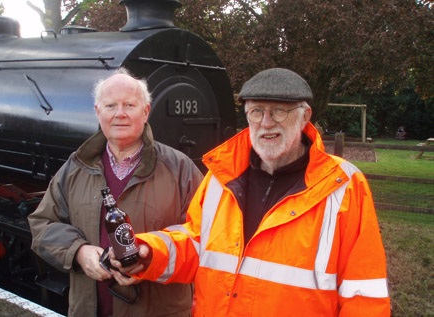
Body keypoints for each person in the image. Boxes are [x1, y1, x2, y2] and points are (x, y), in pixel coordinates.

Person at [112, 68, 390, 316]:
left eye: (279, 110)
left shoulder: (342, 185)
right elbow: (197, 242)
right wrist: (150, 251)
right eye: (256, 111)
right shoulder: (222, 177)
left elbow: (364, 292)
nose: (266, 122)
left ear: (305, 116)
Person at [28, 68, 203, 316]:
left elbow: (207, 236)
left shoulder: (180, 168)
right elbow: (42, 224)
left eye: (129, 105)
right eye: (110, 106)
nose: (119, 114)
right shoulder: (76, 167)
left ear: (145, 112)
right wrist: (78, 252)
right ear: (98, 112)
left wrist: (151, 260)